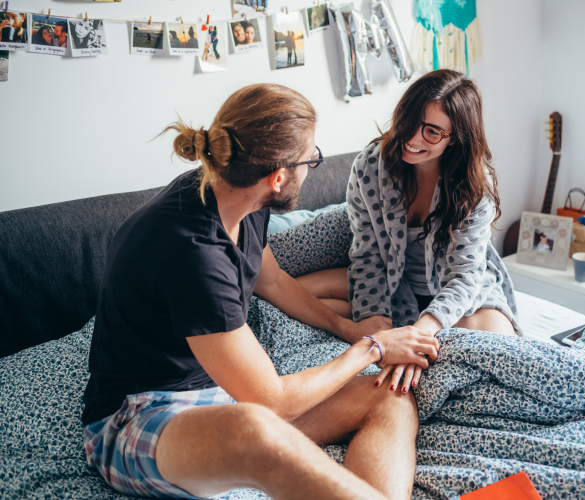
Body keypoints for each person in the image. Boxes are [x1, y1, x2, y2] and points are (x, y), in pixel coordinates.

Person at [81, 83, 438, 500]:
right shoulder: (192, 253)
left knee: (389, 397)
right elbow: (273, 403)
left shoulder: (238, 198)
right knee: (256, 429)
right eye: (312, 158)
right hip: (141, 418)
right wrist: (373, 348)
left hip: (219, 395)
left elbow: (269, 279)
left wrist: (347, 328)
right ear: (279, 176)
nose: (313, 166)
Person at [297, 69, 521, 393]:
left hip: (455, 293)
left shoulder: (474, 185)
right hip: (394, 283)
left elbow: (465, 276)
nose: (413, 139)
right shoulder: (370, 166)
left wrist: (417, 336)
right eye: (409, 120)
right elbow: (368, 254)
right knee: (298, 296)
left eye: (432, 132)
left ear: (455, 137)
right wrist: (375, 323)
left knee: (501, 351)